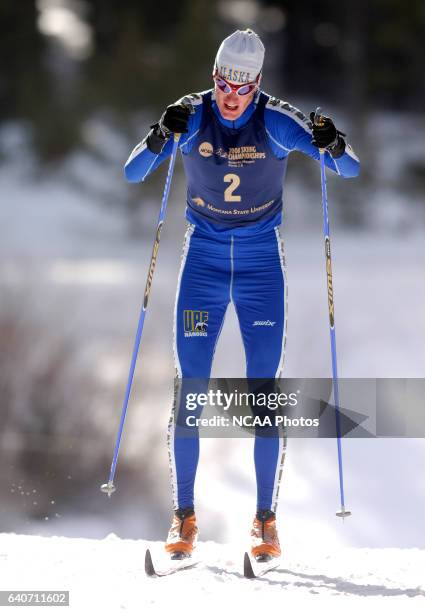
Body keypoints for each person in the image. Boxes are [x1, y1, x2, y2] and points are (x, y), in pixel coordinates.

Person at [124, 29, 360, 563]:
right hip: (202, 265)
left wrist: (334, 142)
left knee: (264, 397)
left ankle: (264, 523)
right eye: (224, 84)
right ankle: (184, 517)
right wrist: (162, 133)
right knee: (191, 393)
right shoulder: (191, 114)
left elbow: (348, 169)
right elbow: (134, 171)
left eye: (243, 87)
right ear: (214, 77)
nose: (232, 96)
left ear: (257, 85)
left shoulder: (277, 121)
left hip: (259, 270)